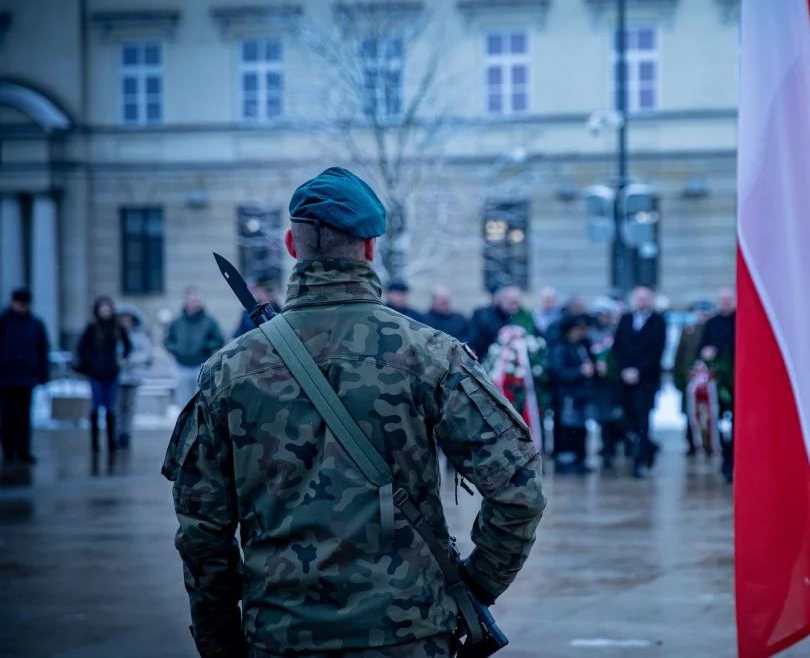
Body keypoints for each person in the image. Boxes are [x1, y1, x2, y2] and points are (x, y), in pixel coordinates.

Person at [164, 166, 545, 658]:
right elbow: (519, 491)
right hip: (408, 635)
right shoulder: (430, 354)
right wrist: (475, 586)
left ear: (290, 245)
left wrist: (221, 642)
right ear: (370, 249)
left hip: (281, 634)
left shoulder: (227, 372)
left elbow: (202, 533)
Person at [613, 286, 667, 478]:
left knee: (643, 419)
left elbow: (656, 351)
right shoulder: (626, 319)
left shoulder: (658, 321)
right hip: (625, 380)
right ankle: (648, 446)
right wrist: (624, 370)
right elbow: (617, 347)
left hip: (646, 380)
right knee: (628, 420)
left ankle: (639, 460)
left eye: (645, 298)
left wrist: (638, 371)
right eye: (638, 298)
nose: (641, 302)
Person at [0, 289, 50, 465]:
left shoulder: (36, 324)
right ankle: (8, 451)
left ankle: (23, 451)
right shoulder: (4, 321)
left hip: (27, 377)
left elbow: (43, 350)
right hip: (5, 378)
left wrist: (43, 375)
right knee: (7, 417)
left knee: (23, 417)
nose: (22, 307)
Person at [76, 296, 131, 454]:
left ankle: (111, 442)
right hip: (96, 373)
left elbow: (128, 345)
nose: (106, 312)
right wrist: (93, 362)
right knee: (96, 406)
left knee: (110, 408)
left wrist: (122, 358)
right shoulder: (92, 328)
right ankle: (95, 443)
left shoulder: (116, 327)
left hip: (111, 373)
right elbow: (82, 348)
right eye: (103, 309)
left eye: (108, 309)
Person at [548, 314, 597, 475]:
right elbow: (559, 371)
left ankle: (580, 458)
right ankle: (566, 459)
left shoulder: (582, 345)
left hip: (582, 394)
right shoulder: (561, 347)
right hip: (568, 395)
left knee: (581, 428)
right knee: (568, 428)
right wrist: (580, 372)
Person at [164, 287, 224, 410]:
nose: (195, 302)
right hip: (181, 367)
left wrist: (206, 347)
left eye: (197, 299)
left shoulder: (209, 321)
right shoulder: (177, 321)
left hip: (201, 367)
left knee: (202, 400)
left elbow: (219, 340)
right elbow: (167, 341)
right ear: (186, 301)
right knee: (184, 402)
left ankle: (202, 426)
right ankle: (186, 427)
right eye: (192, 299)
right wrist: (177, 350)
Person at [701, 287, 737, 482]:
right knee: (720, 425)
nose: (725, 302)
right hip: (718, 383)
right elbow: (702, 348)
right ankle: (726, 461)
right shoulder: (711, 323)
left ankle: (736, 461)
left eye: (728, 299)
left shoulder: (742, 320)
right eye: (722, 299)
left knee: (738, 425)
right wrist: (707, 354)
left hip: (738, 384)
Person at [589, 297, 626, 468]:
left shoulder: (617, 332)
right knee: (603, 418)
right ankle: (607, 449)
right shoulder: (590, 334)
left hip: (614, 381)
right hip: (598, 383)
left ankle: (620, 442)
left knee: (616, 416)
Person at [674, 301, 713, 456]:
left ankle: (709, 442)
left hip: (709, 380)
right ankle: (691, 442)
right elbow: (679, 355)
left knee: (709, 412)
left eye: (705, 313)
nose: (702, 317)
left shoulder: (712, 331)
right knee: (690, 411)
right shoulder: (688, 331)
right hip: (689, 378)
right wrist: (679, 376)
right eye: (699, 313)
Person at [115, 304, 154, 449]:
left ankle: (126, 432)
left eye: (128, 319)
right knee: (118, 406)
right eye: (122, 319)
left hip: (132, 376)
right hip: (117, 377)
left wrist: (130, 360)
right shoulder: (115, 335)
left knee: (129, 406)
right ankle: (117, 432)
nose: (125, 322)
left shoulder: (139, 336)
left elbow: (147, 354)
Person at [471, 284, 524, 356]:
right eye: (511, 302)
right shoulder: (484, 315)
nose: (514, 306)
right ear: (501, 300)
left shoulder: (516, 315)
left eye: (516, 302)